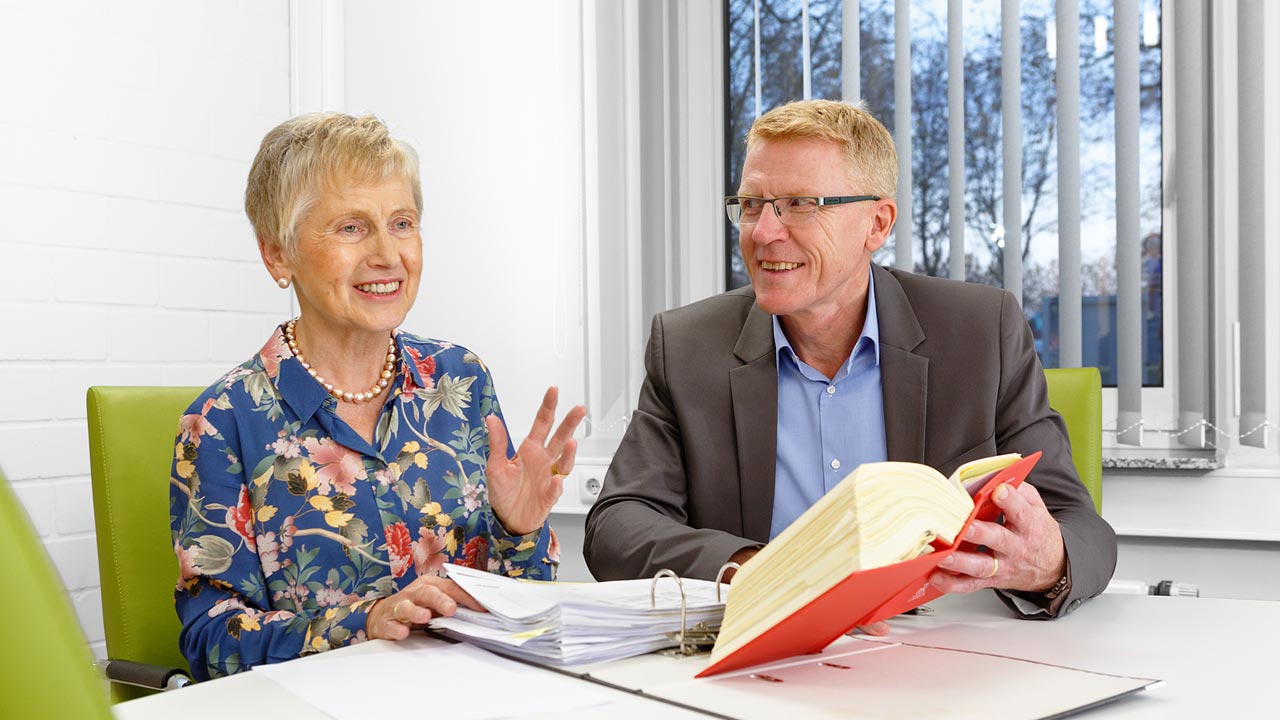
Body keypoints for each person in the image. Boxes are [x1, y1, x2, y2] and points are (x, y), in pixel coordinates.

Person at [584, 99, 1116, 625]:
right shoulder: (686, 347)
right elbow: (617, 525)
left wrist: (1050, 563)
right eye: (751, 204)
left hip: (944, 659)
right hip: (770, 655)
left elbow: (1080, 526)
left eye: (800, 203)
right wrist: (758, 571)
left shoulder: (979, 333)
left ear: (877, 224)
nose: (763, 232)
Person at [170, 113, 585, 679]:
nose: (388, 254)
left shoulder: (460, 382)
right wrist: (362, 625)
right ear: (278, 256)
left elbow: (525, 601)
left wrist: (519, 532)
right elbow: (211, 638)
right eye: (351, 228)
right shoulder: (222, 421)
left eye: (402, 223)